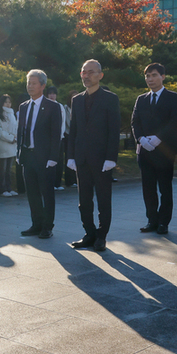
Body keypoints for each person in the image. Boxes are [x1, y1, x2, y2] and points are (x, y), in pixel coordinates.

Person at [66, 60, 120, 250]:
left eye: (90, 72)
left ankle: (101, 236)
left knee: (104, 200)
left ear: (100, 75)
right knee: (84, 201)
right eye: (83, 72)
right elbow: (74, 130)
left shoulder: (110, 99)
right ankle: (89, 233)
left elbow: (114, 131)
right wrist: (71, 155)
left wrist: (111, 158)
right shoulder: (77, 99)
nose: (86, 76)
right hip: (81, 158)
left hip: (102, 159)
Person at [131, 62, 177, 236]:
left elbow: (176, 121)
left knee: (165, 188)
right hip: (144, 150)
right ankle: (151, 220)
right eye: (147, 76)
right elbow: (135, 122)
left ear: (163, 76)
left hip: (164, 151)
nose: (150, 79)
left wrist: (159, 138)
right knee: (148, 188)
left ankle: (163, 222)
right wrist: (141, 139)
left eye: (153, 75)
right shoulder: (141, 99)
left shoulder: (174, 97)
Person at [17, 69, 63, 239]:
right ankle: (36, 224)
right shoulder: (23, 107)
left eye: (33, 83)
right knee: (32, 193)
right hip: (28, 156)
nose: (30, 86)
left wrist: (53, 158)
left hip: (44, 158)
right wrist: (19, 152)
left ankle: (47, 226)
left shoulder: (53, 107)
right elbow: (21, 131)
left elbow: (55, 134)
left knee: (47, 193)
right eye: (28, 83)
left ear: (42, 85)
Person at [45, 86, 70, 190]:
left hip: (59, 138)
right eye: (50, 93)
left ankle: (57, 183)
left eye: (54, 93)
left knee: (59, 161)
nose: (52, 95)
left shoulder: (60, 106)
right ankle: (49, 183)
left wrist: (60, 136)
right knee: (49, 162)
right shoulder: (44, 105)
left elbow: (63, 123)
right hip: (47, 139)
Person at [0, 94, 18, 197]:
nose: (8, 104)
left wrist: (15, 138)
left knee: (9, 170)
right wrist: (10, 138)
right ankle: (2, 189)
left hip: (12, 144)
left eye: (9, 102)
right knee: (2, 169)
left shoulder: (12, 114)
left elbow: (16, 127)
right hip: (3, 144)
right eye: (6, 102)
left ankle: (9, 188)